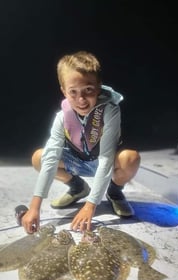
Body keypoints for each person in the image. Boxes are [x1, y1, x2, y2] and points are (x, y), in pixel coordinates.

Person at [22, 51, 140, 234]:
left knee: (130, 158)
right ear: (63, 91)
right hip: (77, 162)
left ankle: (114, 192)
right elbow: (52, 156)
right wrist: (34, 207)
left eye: (88, 90)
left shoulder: (111, 111)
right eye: (73, 92)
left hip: (103, 162)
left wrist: (90, 206)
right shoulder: (61, 117)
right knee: (40, 157)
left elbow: (106, 158)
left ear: (99, 87)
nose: (81, 99)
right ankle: (77, 187)